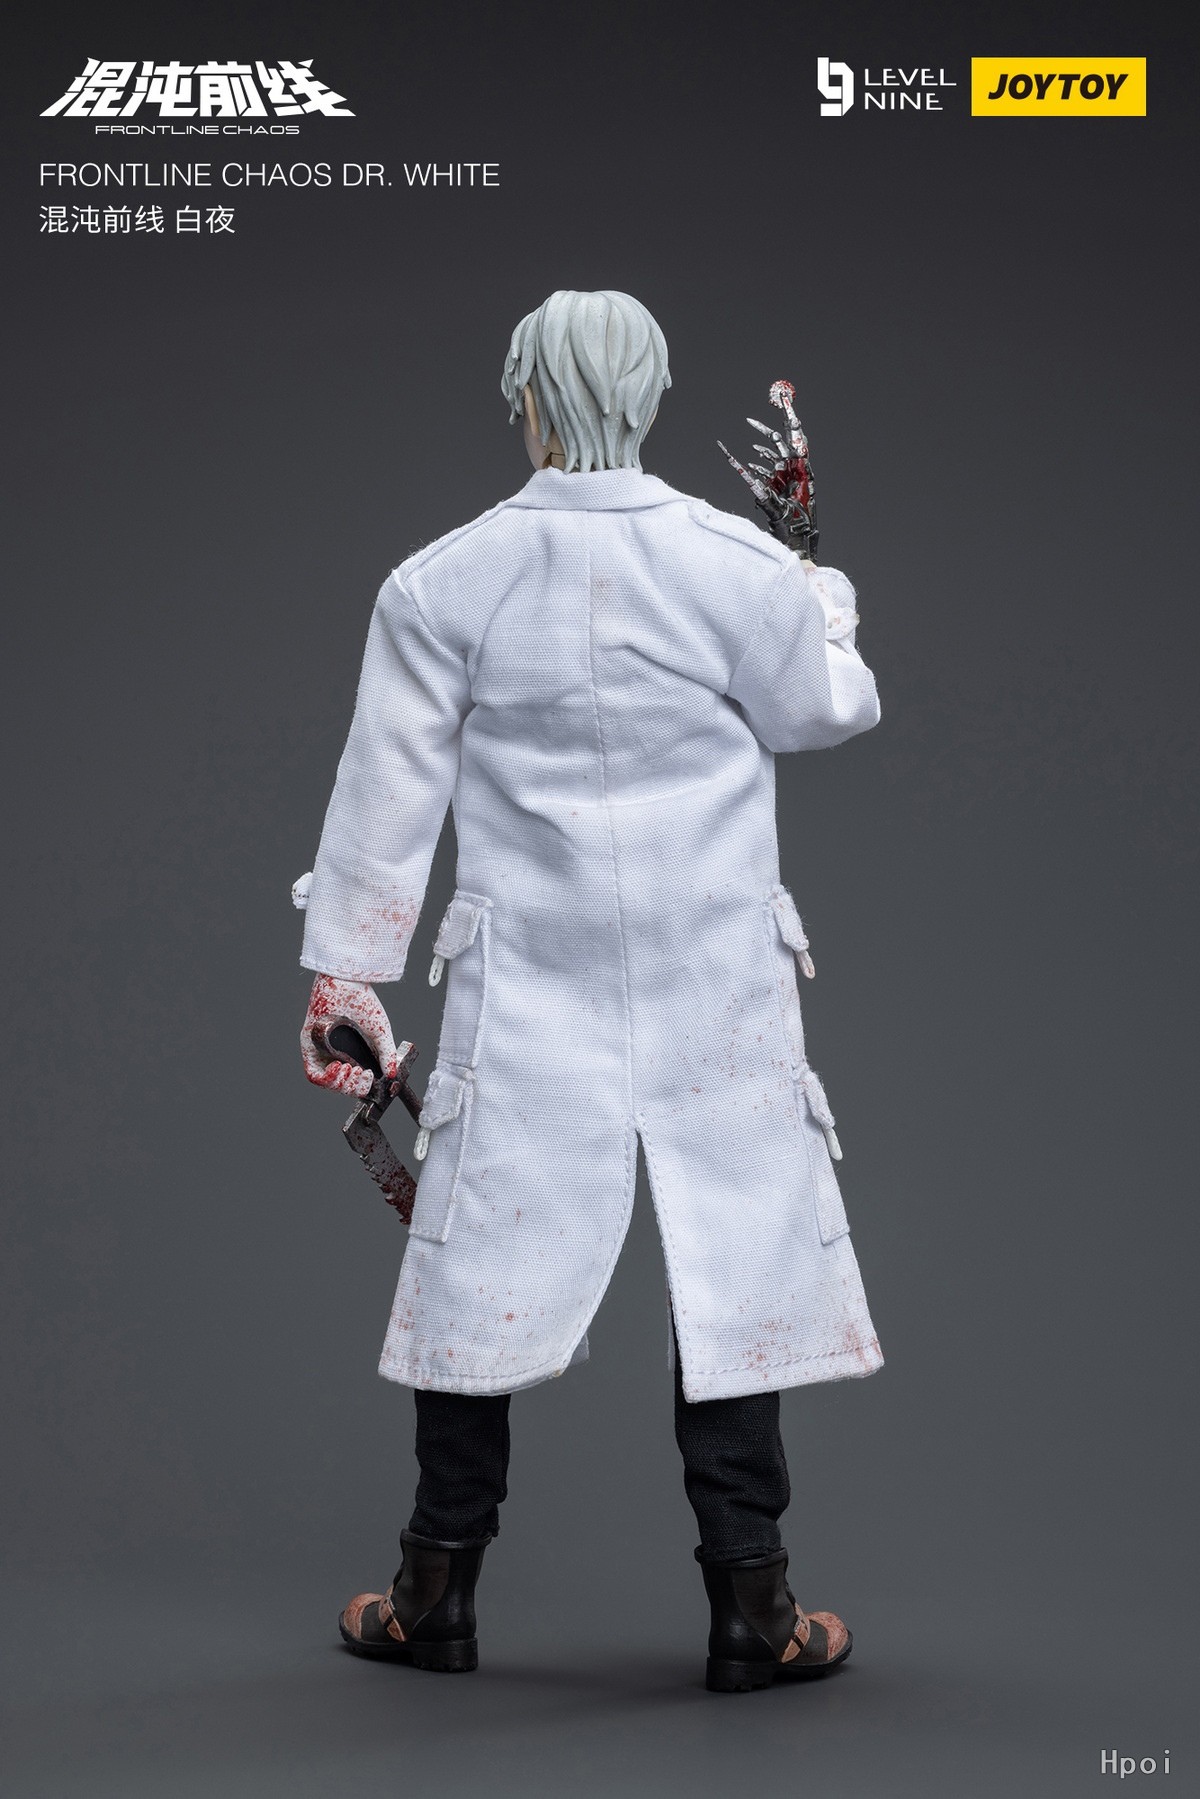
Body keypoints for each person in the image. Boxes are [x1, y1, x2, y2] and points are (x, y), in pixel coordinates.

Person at [295, 289, 882, 1692]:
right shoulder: (732, 565)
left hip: (530, 979)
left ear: (526, 398)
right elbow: (825, 704)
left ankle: (435, 1591)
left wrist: (348, 975)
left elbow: (387, 792)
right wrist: (816, 584)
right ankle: (755, 1605)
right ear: (654, 396)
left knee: (477, 1256)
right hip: (712, 970)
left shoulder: (446, 580)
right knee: (731, 1263)